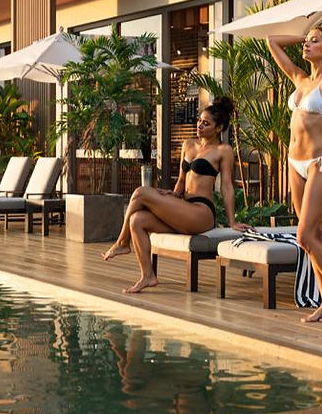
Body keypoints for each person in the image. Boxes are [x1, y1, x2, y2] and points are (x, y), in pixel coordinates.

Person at [101, 96, 249, 294]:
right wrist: (173, 195)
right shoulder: (188, 145)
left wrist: (232, 220)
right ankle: (148, 276)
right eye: (199, 121)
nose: (200, 126)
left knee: (140, 193)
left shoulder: (223, 150)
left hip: (200, 213)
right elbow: (181, 180)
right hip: (183, 208)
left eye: (206, 123)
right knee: (137, 220)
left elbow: (227, 187)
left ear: (219, 128)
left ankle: (121, 243)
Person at [266, 28, 322, 324]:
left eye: (314, 40)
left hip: (320, 162)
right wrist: (304, 33)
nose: (307, 43)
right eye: (307, 40)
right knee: (310, 238)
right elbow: (273, 41)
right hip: (294, 163)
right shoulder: (300, 79)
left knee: (304, 234)